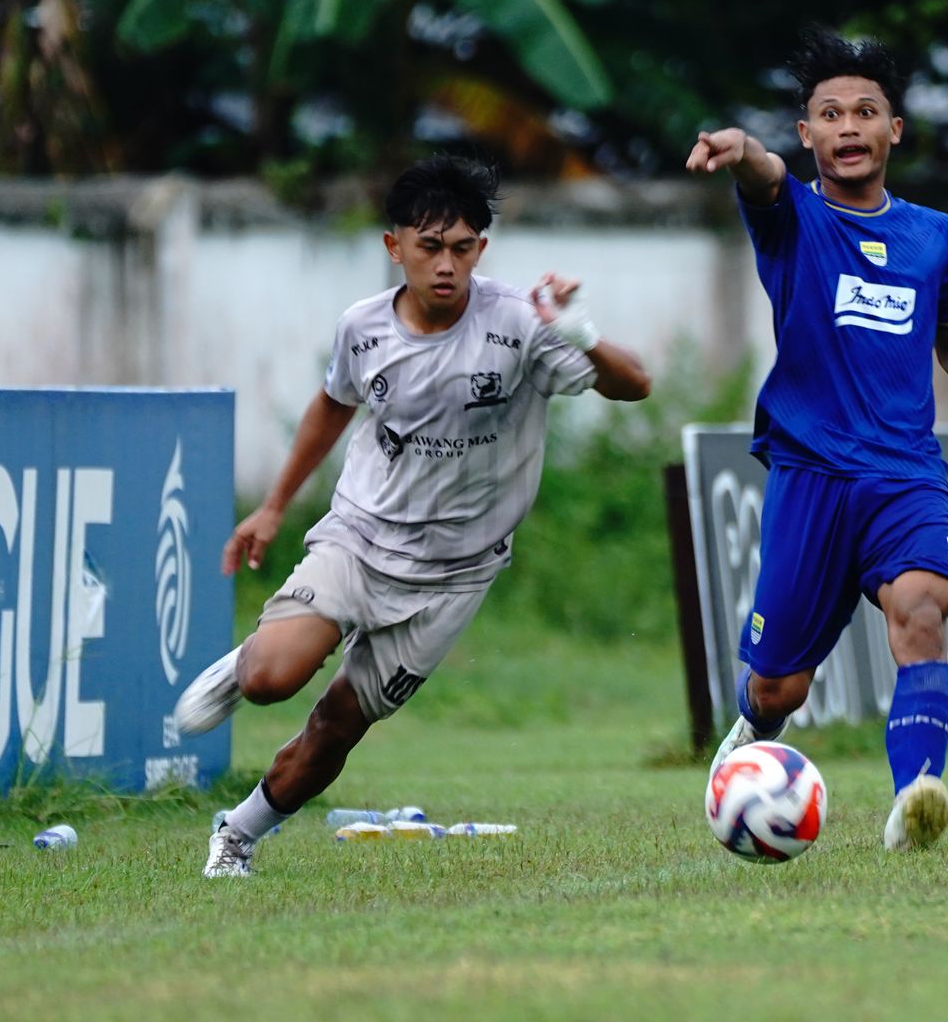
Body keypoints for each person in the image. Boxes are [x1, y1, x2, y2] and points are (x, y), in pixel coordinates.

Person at [174, 154, 651, 878]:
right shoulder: (362, 328)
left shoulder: (521, 324)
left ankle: (236, 834)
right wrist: (271, 508)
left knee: (337, 727)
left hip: (456, 575)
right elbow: (332, 405)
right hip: (361, 540)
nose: (446, 265)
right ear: (394, 246)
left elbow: (637, 385)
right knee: (275, 679)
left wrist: (583, 334)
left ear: (481, 251)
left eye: (462, 248)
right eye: (429, 247)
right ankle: (250, 662)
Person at [686, 29, 948, 851]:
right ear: (806, 134)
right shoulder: (792, 219)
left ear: (895, 131)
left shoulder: (936, 236)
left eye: (866, 112)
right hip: (811, 474)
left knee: (922, 607)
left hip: (904, 474)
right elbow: (765, 177)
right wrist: (743, 149)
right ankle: (751, 737)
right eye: (829, 114)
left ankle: (915, 796)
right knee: (779, 686)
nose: (848, 127)